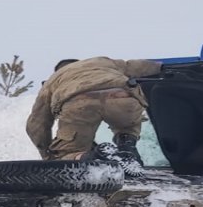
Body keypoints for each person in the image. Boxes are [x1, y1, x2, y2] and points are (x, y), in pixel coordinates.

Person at [25, 56, 162, 164]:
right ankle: (127, 144)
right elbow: (138, 66)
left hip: (79, 102)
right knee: (128, 126)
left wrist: (48, 155)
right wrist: (161, 67)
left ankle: (96, 156)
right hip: (122, 96)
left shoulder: (53, 80)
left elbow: (37, 125)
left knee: (66, 154)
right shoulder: (102, 62)